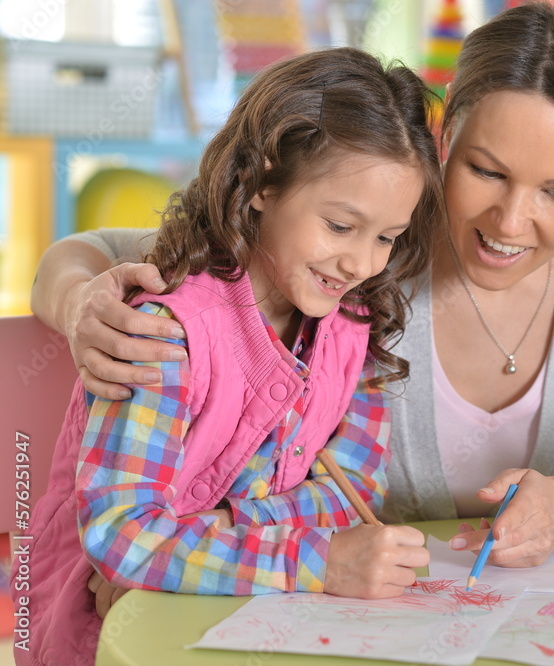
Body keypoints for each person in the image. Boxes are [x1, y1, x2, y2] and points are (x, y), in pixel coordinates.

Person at [32, 3, 554, 583]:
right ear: (445, 135)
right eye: (486, 171)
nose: (510, 221)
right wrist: (80, 303)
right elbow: (131, 250)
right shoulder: (375, 227)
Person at [22, 47, 443, 666]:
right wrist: (316, 558)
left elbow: (353, 488)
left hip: (250, 622)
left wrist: (209, 529)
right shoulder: (167, 332)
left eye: (386, 237)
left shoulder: (355, 320)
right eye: (339, 225)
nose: (362, 263)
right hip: (110, 636)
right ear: (264, 185)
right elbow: (122, 536)